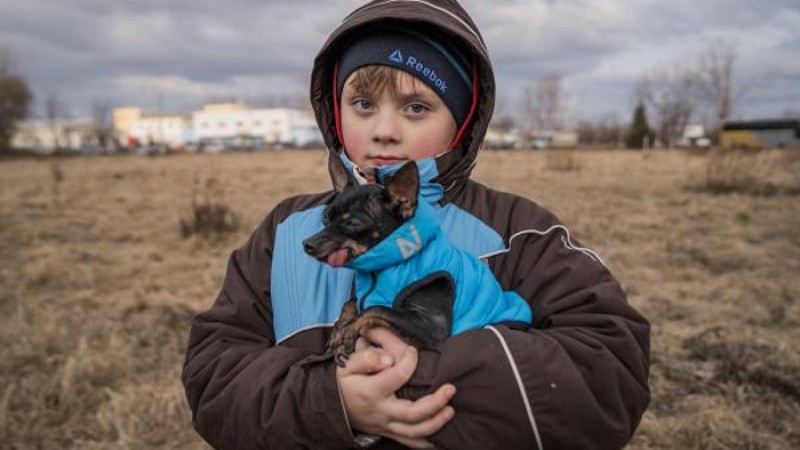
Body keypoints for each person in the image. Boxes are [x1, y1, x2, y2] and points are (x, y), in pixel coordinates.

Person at [182, 0, 651, 449]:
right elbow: (213, 377)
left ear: (462, 124)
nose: (384, 129)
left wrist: (413, 378)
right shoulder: (285, 232)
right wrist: (332, 402)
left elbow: (611, 372)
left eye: (416, 108)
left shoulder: (519, 233)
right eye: (363, 103)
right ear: (335, 111)